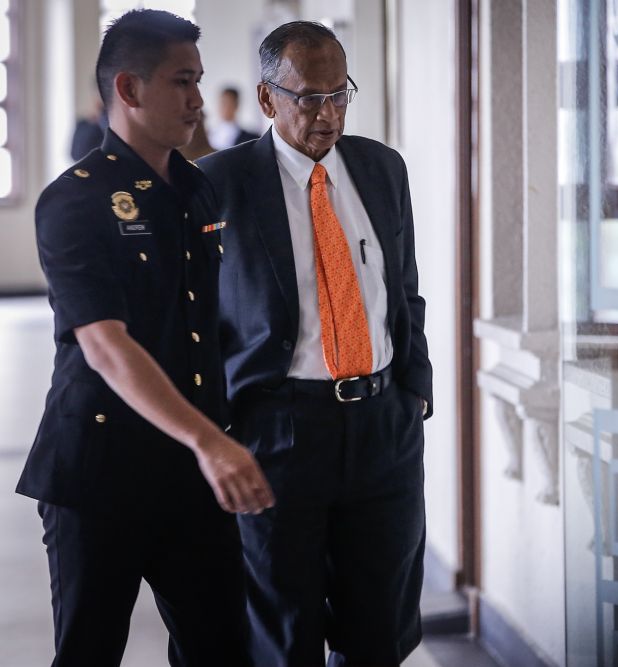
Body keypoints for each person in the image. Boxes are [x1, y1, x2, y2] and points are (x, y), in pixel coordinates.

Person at [16, 9, 274, 666]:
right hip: (99, 473)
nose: (197, 99)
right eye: (182, 81)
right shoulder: (74, 200)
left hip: (190, 473)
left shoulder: (195, 188)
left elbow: (212, 322)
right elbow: (106, 346)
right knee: (90, 651)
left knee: (222, 650)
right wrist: (211, 441)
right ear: (129, 89)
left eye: (199, 80)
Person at [199, 20, 432, 667]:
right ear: (267, 98)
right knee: (285, 629)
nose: (327, 114)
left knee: (380, 626)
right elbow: (194, 319)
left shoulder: (382, 169)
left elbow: (404, 289)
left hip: (383, 428)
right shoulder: (217, 183)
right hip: (279, 431)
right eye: (308, 98)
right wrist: (219, 431)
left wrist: (415, 390)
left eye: (339, 94)